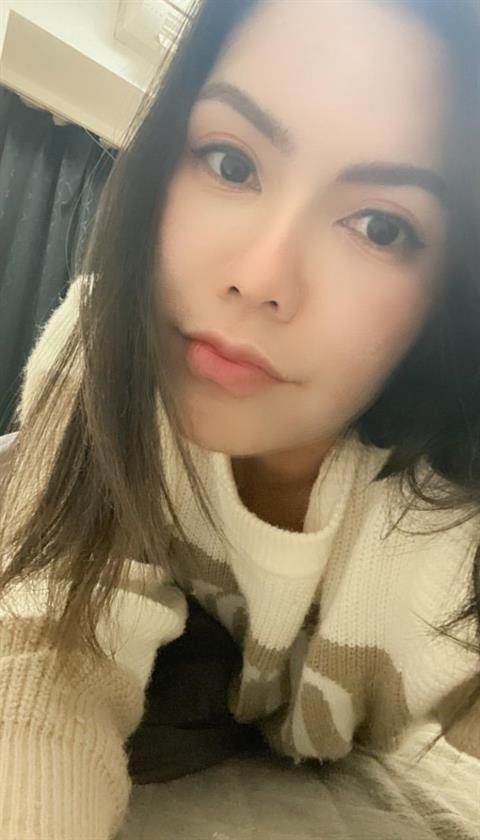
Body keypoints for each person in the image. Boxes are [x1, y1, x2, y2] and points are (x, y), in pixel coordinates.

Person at [1, 0, 480, 836]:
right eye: (229, 161)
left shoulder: (452, 534)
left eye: (380, 225)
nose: (259, 277)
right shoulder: (105, 346)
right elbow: (45, 660)